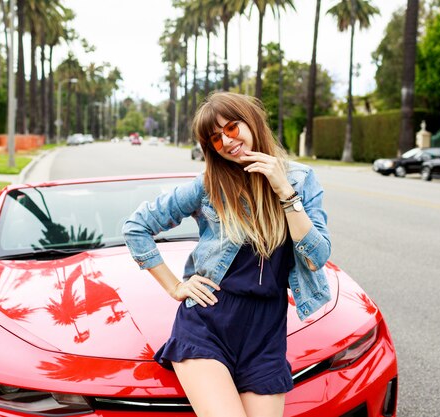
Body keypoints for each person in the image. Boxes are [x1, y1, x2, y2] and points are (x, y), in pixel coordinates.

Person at [123, 92, 331, 417]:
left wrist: (284, 191)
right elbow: (137, 226)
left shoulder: (300, 180)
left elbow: (316, 256)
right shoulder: (209, 185)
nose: (227, 141)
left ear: (251, 120)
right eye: (216, 139)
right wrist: (175, 286)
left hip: (266, 329)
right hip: (209, 321)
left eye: (231, 128)